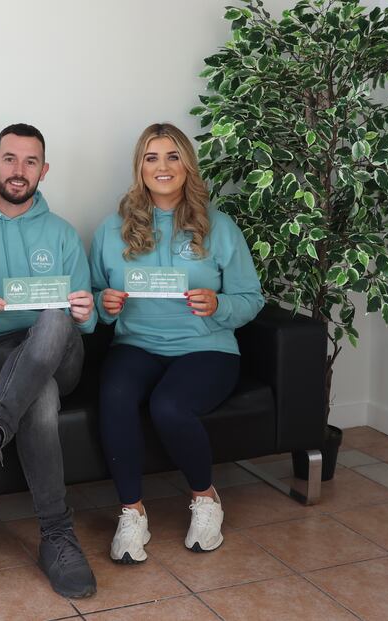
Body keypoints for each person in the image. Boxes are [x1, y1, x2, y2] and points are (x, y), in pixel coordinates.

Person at [89, 123, 264, 563]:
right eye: (151, 157)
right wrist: (104, 303)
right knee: (114, 396)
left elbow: (252, 298)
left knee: (168, 406)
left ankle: (205, 499)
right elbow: (90, 299)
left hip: (206, 347)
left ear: (187, 164)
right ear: (139, 168)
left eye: (172, 156)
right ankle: (131, 513)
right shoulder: (112, 229)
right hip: (138, 344)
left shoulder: (219, 227)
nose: (162, 167)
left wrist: (218, 305)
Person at [0, 124, 98, 598]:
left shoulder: (63, 232)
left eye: (30, 162)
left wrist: (85, 313)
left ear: (44, 170)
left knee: (54, 317)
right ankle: (56, 534)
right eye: (9, 159)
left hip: (62, 350)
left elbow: (84, 316)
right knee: (40, 394)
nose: (18, 170)